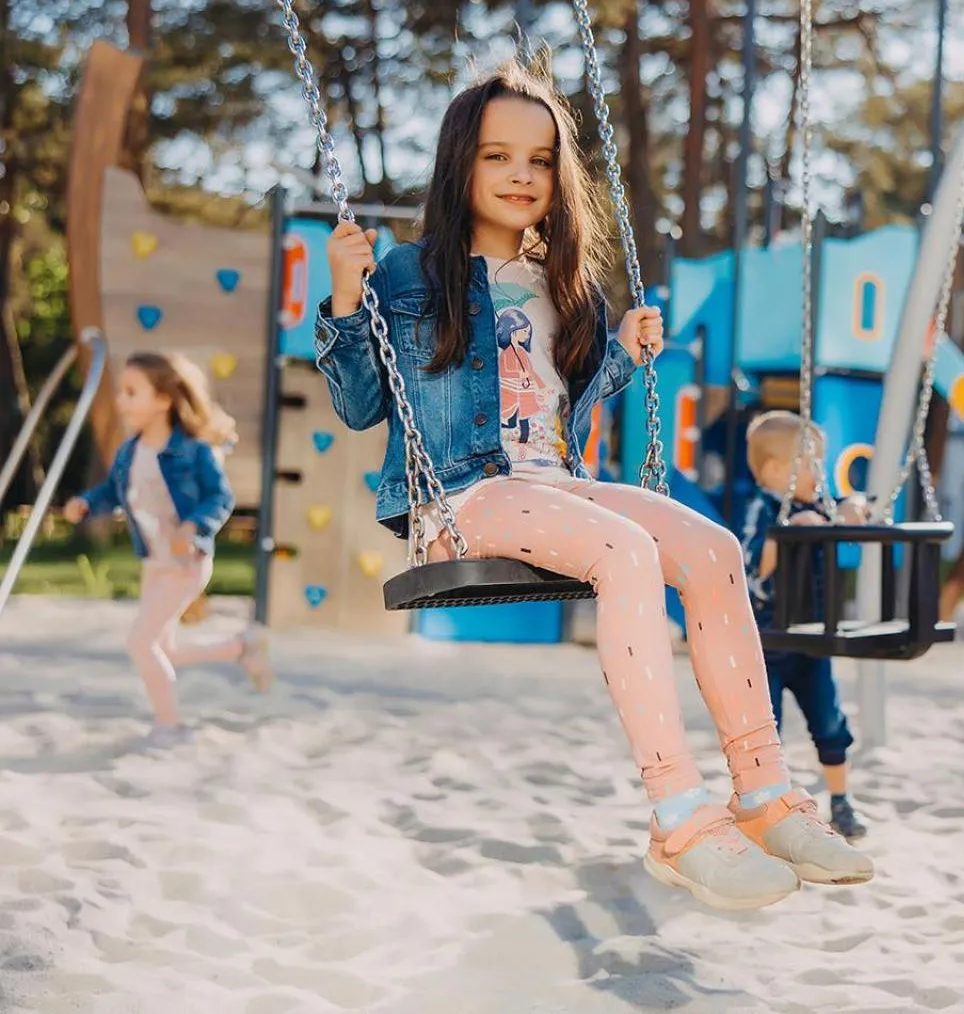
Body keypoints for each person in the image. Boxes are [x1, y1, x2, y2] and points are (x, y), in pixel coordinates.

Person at [316, 58, 872, 912]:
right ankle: (677, 814)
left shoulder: (560, 279)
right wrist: (346, 299)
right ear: (460, 163)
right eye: (498, 156)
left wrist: (623, 354)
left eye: (539, 161)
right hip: (459, 500)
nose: (521, 175)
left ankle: (763, 793)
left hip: (555, 485)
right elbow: (359, 405)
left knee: (713, 548)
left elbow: (558, 402)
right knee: (625, 548)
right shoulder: (407, 273)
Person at [64, 352, 272, 746]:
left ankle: (170, 725)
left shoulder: (193, 450)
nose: (121, 400)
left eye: (131, 392)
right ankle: (240, 648)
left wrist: (194, 526)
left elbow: (220, 497)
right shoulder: (130, 451)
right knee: (164, 649)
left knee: (140, 643)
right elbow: (112, 491)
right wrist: (87, 503)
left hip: (186, 562)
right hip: (155, 562)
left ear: (163, 399)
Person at [738, 411, 869, 841]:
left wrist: (853, 508)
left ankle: (841, 801)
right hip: (769, 642)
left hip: (812, 640)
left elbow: (845, 518)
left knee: (829, 722)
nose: (822, 474)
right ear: (778, 470)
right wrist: (785, 532)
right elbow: (753, 569)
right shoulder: (762, 508)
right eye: (813, 463)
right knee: (766, 731)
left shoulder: (816, 506)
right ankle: (765, 809)